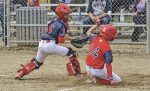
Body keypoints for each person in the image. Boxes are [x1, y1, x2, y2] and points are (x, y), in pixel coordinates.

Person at [15, 3, 81, 79]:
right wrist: (72, 39)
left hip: (42, 44)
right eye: (66, 14)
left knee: (37, 62)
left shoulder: (53, 21)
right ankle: (77, 74)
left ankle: (21, 73)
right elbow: (61, 40)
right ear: (61, 14)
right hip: (50, 45)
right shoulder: (61, 24)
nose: (68, 16)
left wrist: (70, 37)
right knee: (71, 53)